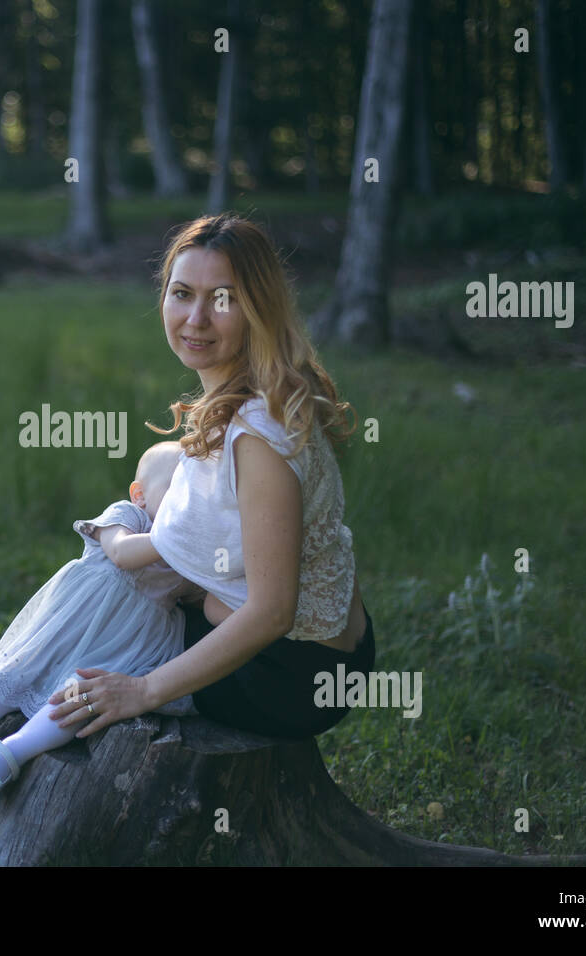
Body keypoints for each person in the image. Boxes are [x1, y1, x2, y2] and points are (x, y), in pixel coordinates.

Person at [47, 212, 376, 740]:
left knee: (99, 629)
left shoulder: (260, 433)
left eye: (223, 299)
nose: (196, 318)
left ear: (257, 310)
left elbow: (272, 613)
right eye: (182, 293)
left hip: (296, 674)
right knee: (111, 600)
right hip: (311, 646)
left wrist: (145, 689)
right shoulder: (247, 396)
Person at [0, 441, 202, 820]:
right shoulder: (127, 519)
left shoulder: (183, 557)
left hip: (117, 652)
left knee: (76, 698)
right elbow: (123, 554)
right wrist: (174, 543)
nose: (187, 507)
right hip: (57, 635)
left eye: (198, 500)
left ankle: (6, 757)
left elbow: (206, 600)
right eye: (179, 492)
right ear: (140, 495)